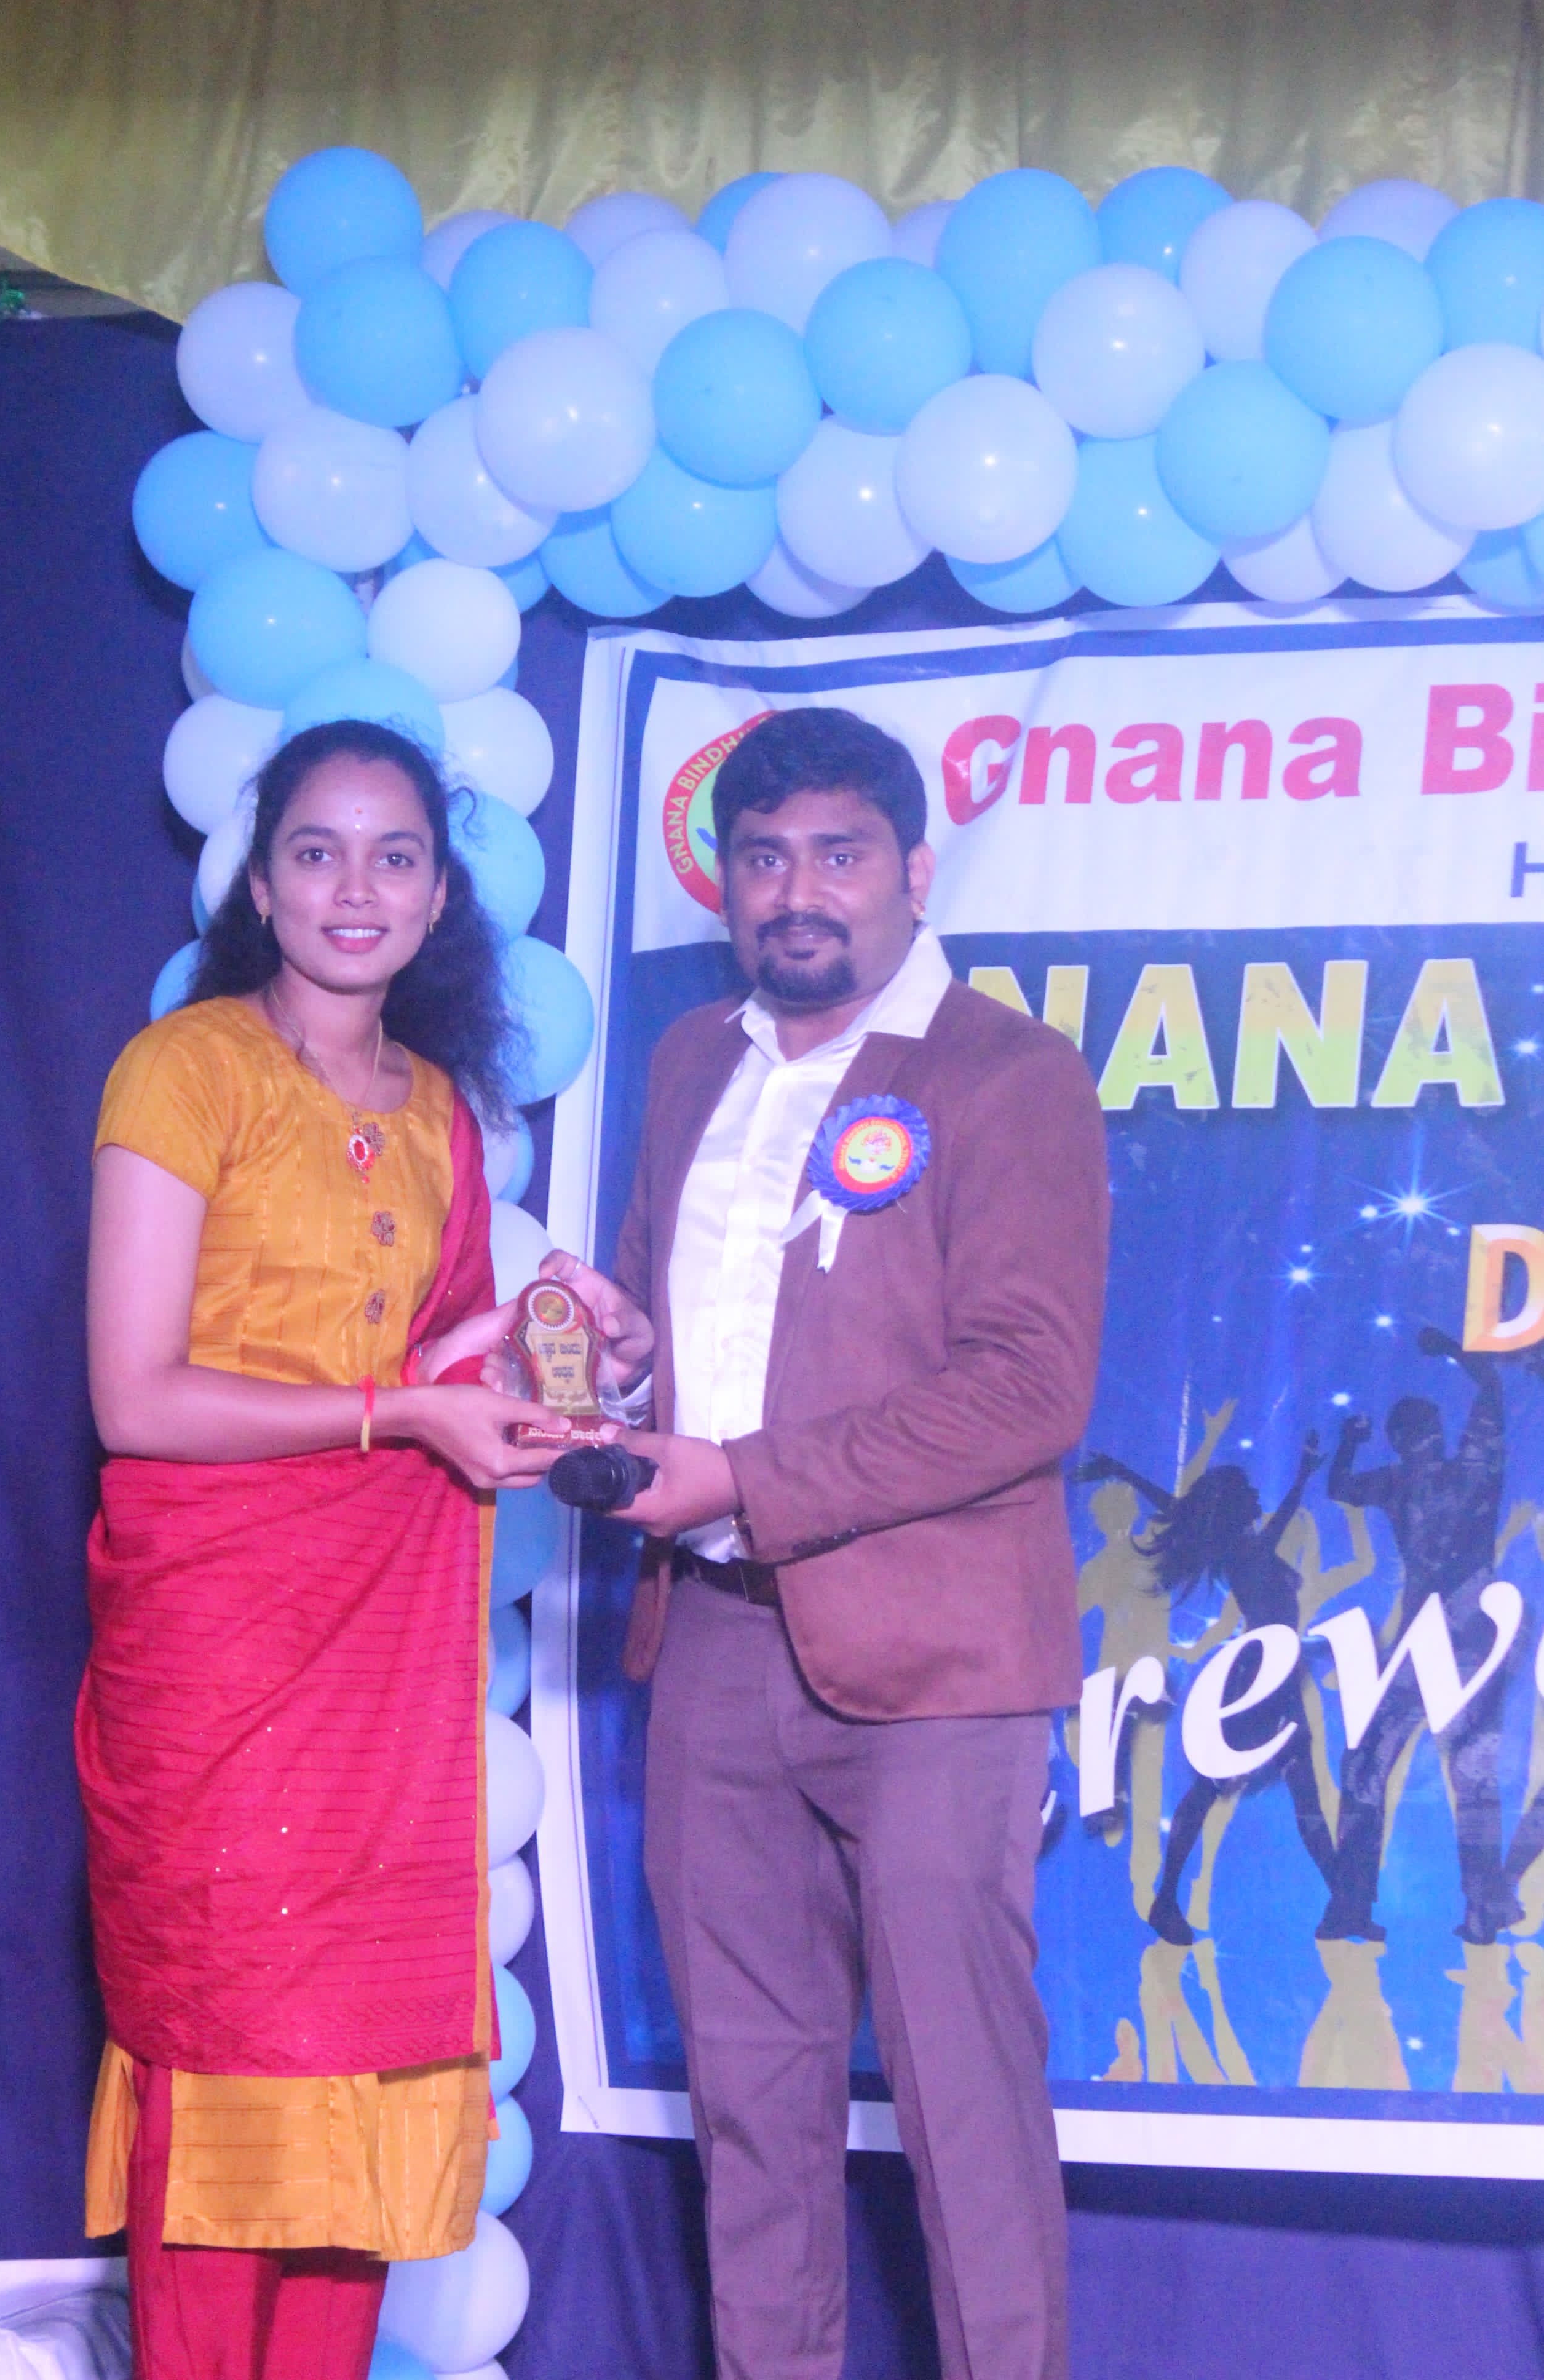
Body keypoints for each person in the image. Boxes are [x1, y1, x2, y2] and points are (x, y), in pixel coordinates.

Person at [551, 705, 1109, 2380]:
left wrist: (738, 1474)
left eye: (839, 854)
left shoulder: (1007, 1071)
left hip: (938, 1661)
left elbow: (1028, 1388)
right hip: (714, 1641)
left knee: (964, 2112)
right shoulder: (688, 1063)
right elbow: (692, 1333)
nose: (797, 891)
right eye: (764, 857)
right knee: (750, 2106)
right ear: (725, 879)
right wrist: (618, 1352)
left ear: (914, 870)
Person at [76, 720, 561, 2380]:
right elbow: (135, 1395)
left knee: (348, 2075)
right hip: (217, 1655)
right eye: (317, 851)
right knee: (228, 2051)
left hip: (378, 1665)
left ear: (438, 897)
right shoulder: (185, 1069)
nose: (356, 889)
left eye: (395, 855)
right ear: (262, 883)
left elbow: (444, 1361)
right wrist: (397, 1413)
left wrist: (567, 1336)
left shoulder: (441, 1113)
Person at [1075, 1438, 1336, 1945]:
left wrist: (1121, 1469)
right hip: (1259, 1679)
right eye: (1249, 1492)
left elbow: (1182, 1511)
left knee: (1289, 1788)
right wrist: (1303, 1475)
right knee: (1227, 1788)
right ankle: (1168, 1898)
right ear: (1233, 1506)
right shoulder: (1244, 1550)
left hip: (1271, 1675)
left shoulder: (1242, 1547)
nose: (1257, 1496)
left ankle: (1339, 1899)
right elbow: (1196, 1513)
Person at [1320, 1325, 1516, 1946]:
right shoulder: (1436, 1476)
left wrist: (1349, 1444)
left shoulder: (1442, 1476)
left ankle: (1372, 1904)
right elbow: (1490, 1392)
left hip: (1451, 1637)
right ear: (1414, 1440)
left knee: (1408, 1767)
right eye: (1415, 1435)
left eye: (1421, 1431)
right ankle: (1361, 1904)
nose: (1421, 1442)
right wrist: (1452, 1353)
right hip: (1442, 1638)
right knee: (1414, 1767)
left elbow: (1339, 1486)